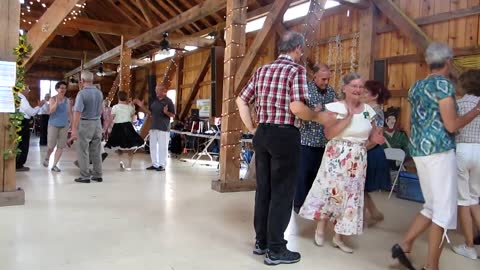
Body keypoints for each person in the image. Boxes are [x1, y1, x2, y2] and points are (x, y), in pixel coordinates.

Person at [236, 31, 336, 265]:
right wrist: (319, 117)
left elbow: (241, 100)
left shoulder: (262, 70)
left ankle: (261, 242)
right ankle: (276, 249)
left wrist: (252, 127)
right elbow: (297, 108)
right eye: (302, 50)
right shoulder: (296, 71)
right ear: (298, 48)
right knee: (282, 192)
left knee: (264, 190)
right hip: (285, 135)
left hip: (263, 133)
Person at [391, 43, 480, 270]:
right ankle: (432, 267)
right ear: (448, 61)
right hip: (440, 152)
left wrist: (418, 144)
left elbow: (408, 125)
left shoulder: (416, 86)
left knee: (431, 206)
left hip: (420, 152)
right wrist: (476, 111)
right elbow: (451, 125)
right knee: (444, 213)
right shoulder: (443, 84)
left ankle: (405, 244)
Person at [299, 73, 383, 254]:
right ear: (344, 88)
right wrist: (348, 118)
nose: (358, 90)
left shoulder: (369, 110)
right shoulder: (335, 107)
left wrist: (374, 138)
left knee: (350, 197)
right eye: (354, 86)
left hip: (358, 158)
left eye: (361, 87)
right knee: (330, 191)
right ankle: (320, 227)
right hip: (336, 155)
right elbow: (329, 134)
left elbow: (372, 134)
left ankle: (339, 237)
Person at [294, 63, 337, 212]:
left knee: (319, 177)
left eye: (328, 79)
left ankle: (314, 207)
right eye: (323, 79)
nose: (326, 82)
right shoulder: (304, 90)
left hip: (324, 143)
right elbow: (297, 114)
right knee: (303, 176)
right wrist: (313, 112)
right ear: (315, 77)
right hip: (306, 141)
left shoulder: (331, 92)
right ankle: (299, 205)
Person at [451, 69, 480, 260]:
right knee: (475, 198)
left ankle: (469, 246)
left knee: (463, 200)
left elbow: (451, 128)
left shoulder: (458, 104)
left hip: (462, 150)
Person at [362, 80, 391, 226]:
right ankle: (374, 213)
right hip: (366, 150)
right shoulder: (367, 109)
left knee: (361, 187)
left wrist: (361, 150)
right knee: (361, 187)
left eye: (366, 92)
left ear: (375, 95)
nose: (363, 94)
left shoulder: (377, 111)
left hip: (371, 152)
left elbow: (375, 138)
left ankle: (361, 219)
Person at [70, 70, 104, 183]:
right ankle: (98, 174)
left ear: (82, 81)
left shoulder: (82, 93)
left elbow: (77, 112)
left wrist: (74, 129)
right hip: (97, 123)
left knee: (83, 150)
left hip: (85, 123)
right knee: (96, 149)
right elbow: (101, 110)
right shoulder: (99, 93)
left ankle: (85, 176)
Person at [134, 84, 175, 172]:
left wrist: (166, 112)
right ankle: (155, 164)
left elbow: (173, 115)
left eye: (158, 90)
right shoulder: (154, 101)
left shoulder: (168, 101)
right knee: (152, 146)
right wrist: (141, 106)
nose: (156, 91)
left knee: (162, 147)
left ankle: (162, 165)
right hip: (153, 126)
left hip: (163, 127)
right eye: (156, 89)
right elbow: (150, 113)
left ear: (163, 91)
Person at [105, 91, 144, 170]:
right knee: (131, 146)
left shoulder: (115, 107)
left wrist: (107, 128)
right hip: (127, 127)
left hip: (117, 127)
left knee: (119, 146)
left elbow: (110, 119)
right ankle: (129, 165)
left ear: (118, 97)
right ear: (126, 98)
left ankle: (121, 162)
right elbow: (133, 118)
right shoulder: (130, 107)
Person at [42, 81, 71, 172]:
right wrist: (57, 103)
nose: (63, 90)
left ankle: (54, 165)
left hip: (64, 125)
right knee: (51, 146)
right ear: (57, 89)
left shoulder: (67, 100)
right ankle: (47, 157)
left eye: (64, 88)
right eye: (61, 88)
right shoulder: (52, 99)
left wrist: (71, 124)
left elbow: (70, 113)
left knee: (61, 146)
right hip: (53, 125)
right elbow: (51, 111)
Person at [16, 86, 45, 171]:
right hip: (22, 122)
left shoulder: (17, 97)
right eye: (27, 89)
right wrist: (39, 106)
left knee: (19, 143)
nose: (29, 91)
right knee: (23, 144)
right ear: (22, 89)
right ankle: (19, 164)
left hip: (18, 121)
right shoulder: (22, 99)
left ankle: (17, 163)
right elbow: (31, 112)